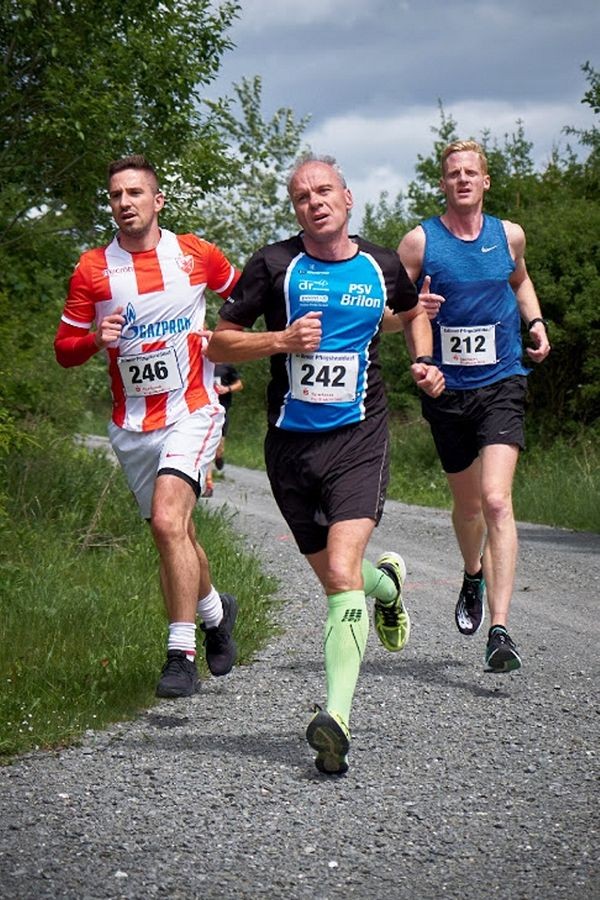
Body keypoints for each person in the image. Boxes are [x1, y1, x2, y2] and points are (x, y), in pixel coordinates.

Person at [207, 153, 445, 775]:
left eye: (324, 191)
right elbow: (219, 342)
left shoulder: (382, 264)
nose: (314, 202)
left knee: (341, 572)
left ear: (347, 198)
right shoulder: (273, 264)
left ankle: (335, 719)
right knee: (342, 578)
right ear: (296, 210)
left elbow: (407, 314)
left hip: (360, 436)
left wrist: (423, 360)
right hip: (290, 446)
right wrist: (280, 341)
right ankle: (388, 586)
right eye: (301, 196)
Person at [54, 154, 240, 699]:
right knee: (175, 533)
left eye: (134, 192)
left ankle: (180, 655)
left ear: (157, 200)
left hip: (193, 409)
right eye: (116, 195)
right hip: (132, 424)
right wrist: (96, 340)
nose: (124, 203)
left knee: (166, 522)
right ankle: (216, 613)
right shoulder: (92, 269)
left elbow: (245, 295)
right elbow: (64, 350)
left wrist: (229, 341)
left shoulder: (195, 254)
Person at [397, 139, 551, 674]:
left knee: (496, 501)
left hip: (502, 381)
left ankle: (500, 629)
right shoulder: (419, 243)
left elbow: (520, 279)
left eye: (470, 172)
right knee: (467, 508)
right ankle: (472, 573)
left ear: (485, 181)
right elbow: (393, 312)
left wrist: (535, 322)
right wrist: (417, 332)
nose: (462, 179)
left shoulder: (509, 235)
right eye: (453, 173)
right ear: (443, 183)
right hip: (447, 390)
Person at [202, 362, 244, 497]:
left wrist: (227, 389)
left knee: (218, 450)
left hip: (222, 413)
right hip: (204, 412)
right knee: (207, 448)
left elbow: (240, 384)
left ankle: (219, 457)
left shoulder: (227, 366)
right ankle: (209, 485)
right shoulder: (201, 364)